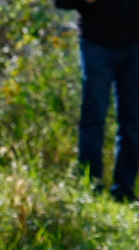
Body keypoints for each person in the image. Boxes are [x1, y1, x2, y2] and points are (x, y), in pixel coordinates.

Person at [55, 0, 139, 203]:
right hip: (97, 44)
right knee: (93, 119)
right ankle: (91, 189)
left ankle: (124, 192)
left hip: (135, 43)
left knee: (133, 122)